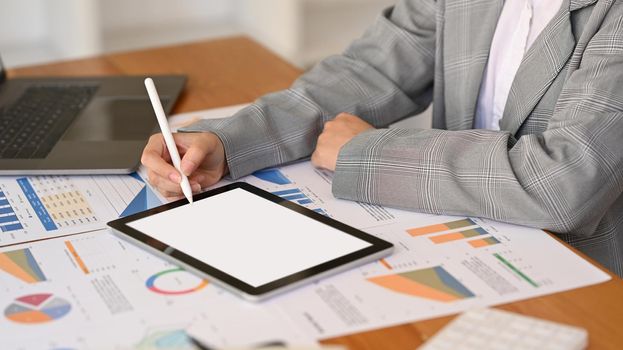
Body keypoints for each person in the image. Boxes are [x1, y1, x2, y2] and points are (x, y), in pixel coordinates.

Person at [141, 0, 623, 277]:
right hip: (469, 240)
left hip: (585, 276)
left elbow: (563, 183)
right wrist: (229, 142)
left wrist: (369, 155)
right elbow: (374, 68)